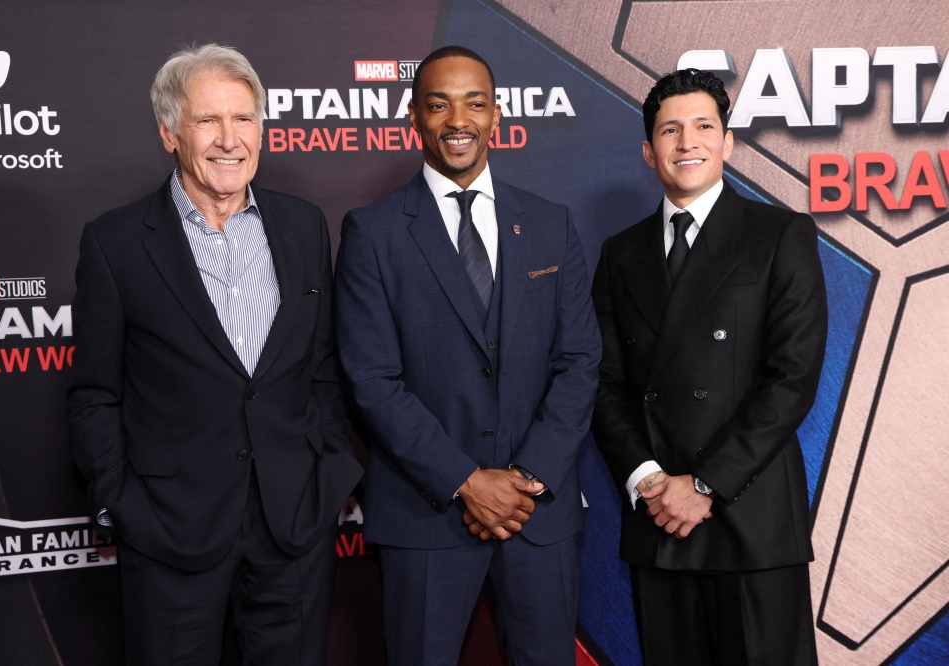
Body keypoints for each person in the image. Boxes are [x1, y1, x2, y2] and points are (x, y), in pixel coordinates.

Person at [67, 44, 362, 666]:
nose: (229, 140)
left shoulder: (304, 225)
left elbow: (322, 367)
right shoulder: (116, 242)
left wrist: (331, 470)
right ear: (169, 133)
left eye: (244, 119)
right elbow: (95, 392)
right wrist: (118, 500)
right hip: (169, 530)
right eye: (208, 121)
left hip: (293, 525)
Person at [333, 46, 601, 666]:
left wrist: (526, 479)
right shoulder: (373, 232)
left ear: (497, 115)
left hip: (539, 517)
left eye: (474, 102)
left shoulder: (551, 224)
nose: (459, 118)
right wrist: (466, 482)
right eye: (439, 103)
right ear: (415, 119)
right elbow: (371, 382)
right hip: (425, 516)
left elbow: (581, 361)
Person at [591, 68, 827, 665]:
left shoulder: (780, 234)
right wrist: (649, 481)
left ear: (728, 143)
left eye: (703, 126)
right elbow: (601, 380)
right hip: (660, 519)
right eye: (670, 130)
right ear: (649, 151)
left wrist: (704, 485)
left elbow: (792, 377)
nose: (687, 142)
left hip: (750, 516)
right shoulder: (622, 253)